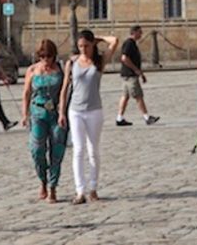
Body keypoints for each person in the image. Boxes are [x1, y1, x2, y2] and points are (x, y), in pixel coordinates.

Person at [58, 29, 119, 204]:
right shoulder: (72, 62)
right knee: (78, 150)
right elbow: (65, 88)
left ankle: (93, 187)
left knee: (93, 150)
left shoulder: (99, 62)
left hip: (94, 110)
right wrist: (62, 112)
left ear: (92, 45)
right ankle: (80, 191)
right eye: (80, 46)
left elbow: (114, 40)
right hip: (75, 110)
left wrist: (98, 38)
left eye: (86, 45)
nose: (83, 49)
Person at [22, 39, 68, 203]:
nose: (46, 60)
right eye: (42, 56)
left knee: (56, 151)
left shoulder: (60, 70)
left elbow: (64, 93)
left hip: (55, 113)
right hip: (37, 112)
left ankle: (53, 187)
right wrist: (24, 114)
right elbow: (26, 93)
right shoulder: (33, 70)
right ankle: (42, 180)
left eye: (49, 56)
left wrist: (62, 113)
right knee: (37, 150)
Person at [115, 25, 159, 126]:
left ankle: (119, 118)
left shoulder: (131, 43)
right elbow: (124, 58)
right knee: (138, 96)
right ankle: (147, 117)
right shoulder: (129, 43)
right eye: (139, 32)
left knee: (125, 96)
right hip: (130, 75)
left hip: (126, 74)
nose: (141, 34)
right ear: (134, 32)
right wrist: (136, 70)